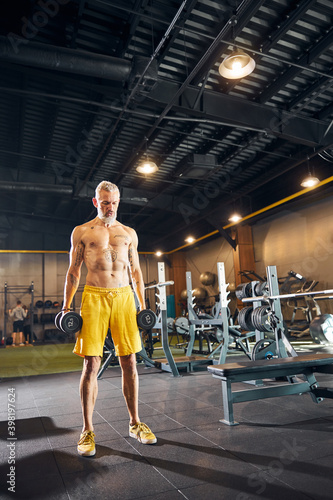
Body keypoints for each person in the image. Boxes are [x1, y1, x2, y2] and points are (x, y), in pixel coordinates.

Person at [62, 180, 156, 457]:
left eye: (114, 202)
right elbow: (73, 272)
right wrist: (66, 308)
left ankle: (135, 423)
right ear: (95, 202)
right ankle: (87, 429)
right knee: (91, 363)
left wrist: (142, 305)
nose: (109, 207)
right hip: (94, 296)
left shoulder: (128, 233)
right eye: (104, 202)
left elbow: (136, 272)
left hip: (125, 297)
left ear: (119, 202)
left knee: (130, 360)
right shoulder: (82, 232)